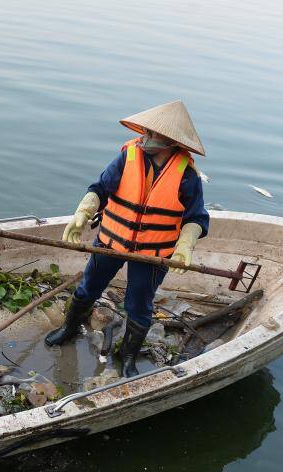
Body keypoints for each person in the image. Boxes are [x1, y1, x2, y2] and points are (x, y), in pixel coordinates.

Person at [44, 100, 209, 378]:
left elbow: (197, 218)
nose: (146, 137)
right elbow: (100, 188)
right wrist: (83, 212)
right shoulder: (128, 157)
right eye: (146, 131)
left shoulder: (187, 176)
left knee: (139, 304)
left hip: (152, 254)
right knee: (88, 287)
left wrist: (185, 244)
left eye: (153, 133)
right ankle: (69, 328)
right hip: (111, 241)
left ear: (171, 141)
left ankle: (128, 355)